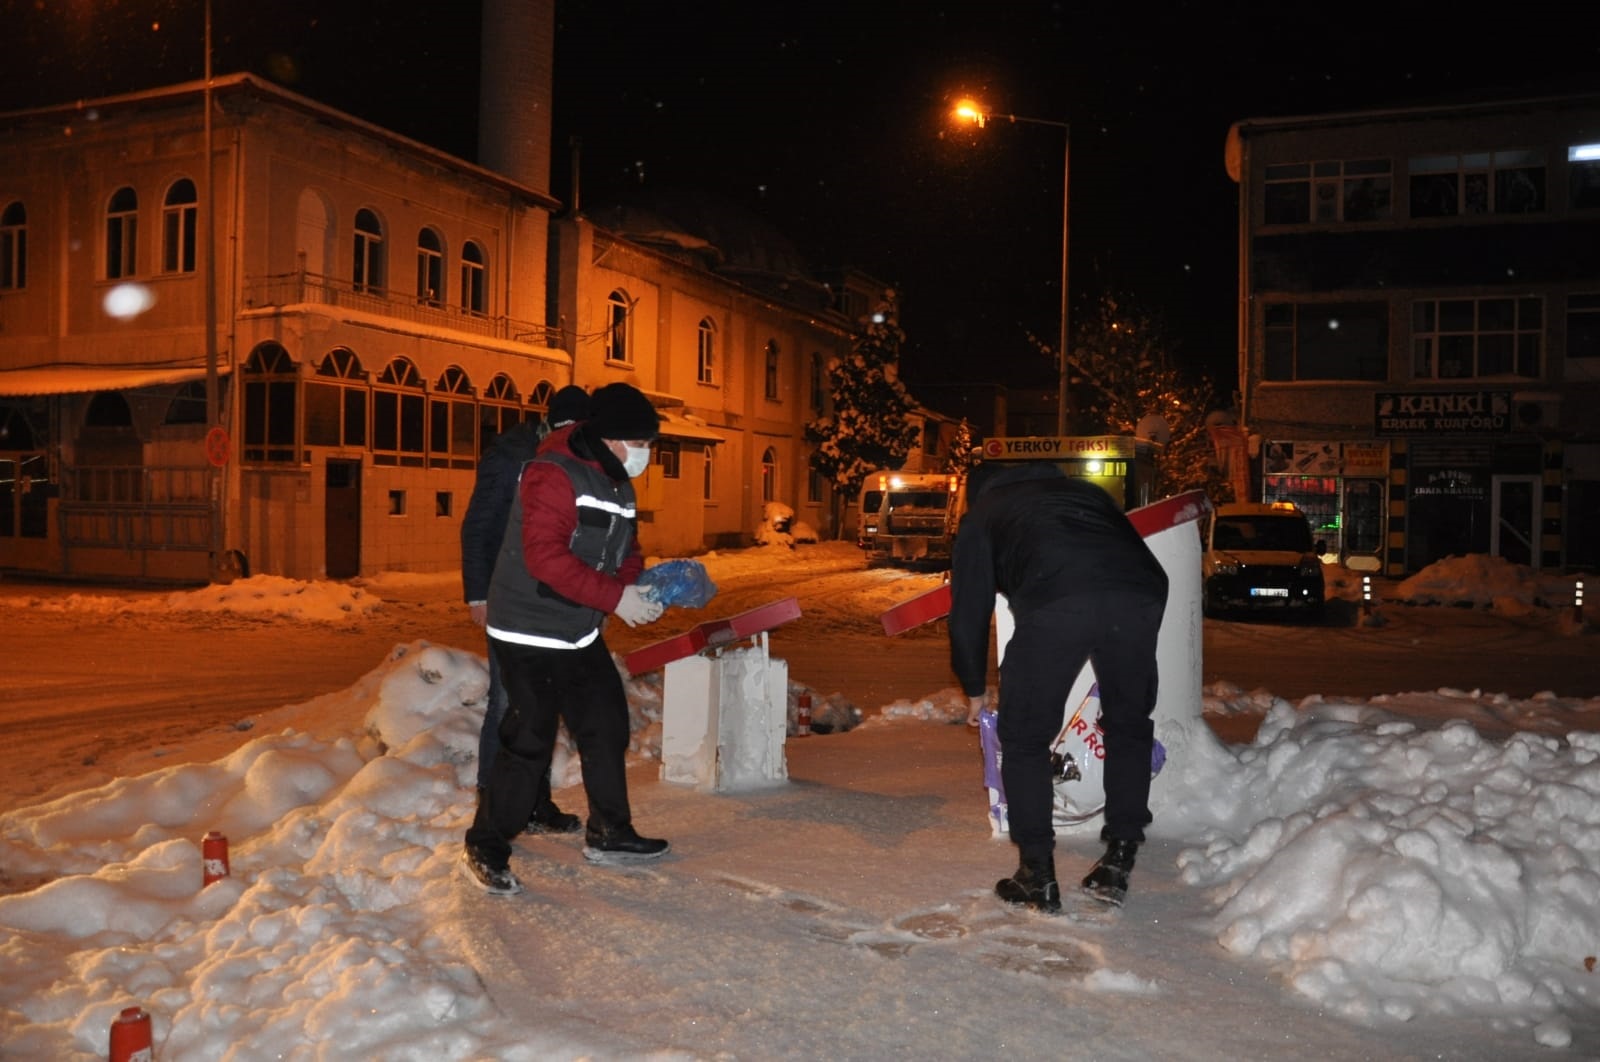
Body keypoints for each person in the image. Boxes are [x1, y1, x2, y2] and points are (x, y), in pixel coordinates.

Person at [461, 382, 670, 894]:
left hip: (576, 628)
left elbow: (627, 548)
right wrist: (614, 598)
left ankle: (610, 832)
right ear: (612, 438)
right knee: (529, 738)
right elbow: (545, 558)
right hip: (526, 627)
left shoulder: (618, 482)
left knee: (605, 724)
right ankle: (485, 843)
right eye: (640, 443)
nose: (645, 453)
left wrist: (635, 587)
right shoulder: (552, 473)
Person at [948, 462, 1168, 911]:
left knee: (1025, 737)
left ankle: (1036, 874)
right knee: (1128, 724)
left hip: (1058, 601)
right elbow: (1125, 554)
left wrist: (974, 687)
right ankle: (1119, 857)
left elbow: (968, 611)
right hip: (1140, 593)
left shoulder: (984, 513)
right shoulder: (1088, 494)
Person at [459, 384, 590, 835]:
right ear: (552, 424)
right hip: (506, 597)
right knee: (506, 702)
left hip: (550, 602)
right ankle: (492, 805)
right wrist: (478, 596)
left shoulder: (571, 458)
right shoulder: (513, 456)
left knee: (542, 704)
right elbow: (478, 526)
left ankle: (534, 802)